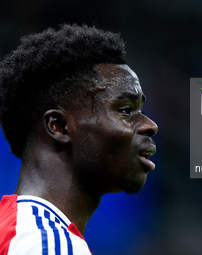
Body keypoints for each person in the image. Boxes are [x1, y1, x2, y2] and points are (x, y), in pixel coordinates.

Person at [0, 24, 158, 254]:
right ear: (60, 126)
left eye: (141, 110)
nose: (149, 125)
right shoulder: (47, 243)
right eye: (125, 110)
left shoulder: (19, 232)